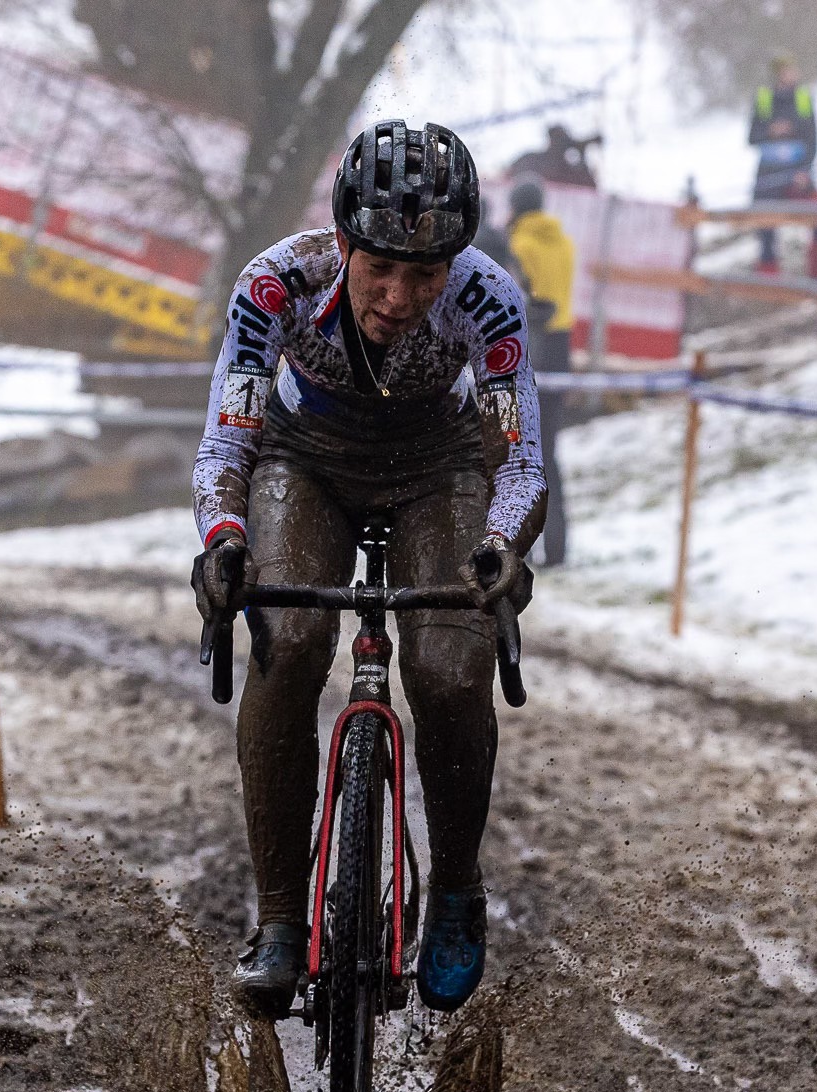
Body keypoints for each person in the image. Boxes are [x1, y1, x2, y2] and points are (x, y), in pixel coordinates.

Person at [192, 121, 546, 1019]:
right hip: (303, 457)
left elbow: (520, 460)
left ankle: (458, 889)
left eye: (425, 276)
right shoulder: (275, 283)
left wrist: (505, 543)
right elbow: (229, 433)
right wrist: (225, 536)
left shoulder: (490, 299)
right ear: (341, 243)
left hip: (439, 464)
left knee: (449, 662)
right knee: (290, 634)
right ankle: (279, 921)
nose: (398, 295)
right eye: (379, 268)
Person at [505, 180, 573, 566]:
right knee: (550, 453)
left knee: (520, 454)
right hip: (561, 352)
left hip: (532, 351)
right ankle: (558, 548)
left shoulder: (519, 246)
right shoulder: (565, 244)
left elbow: (528, 302)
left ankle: (522, 546)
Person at [747, 55, 817, 279]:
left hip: (798, 173)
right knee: (765, 227)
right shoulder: (764, 98)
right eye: (787, 69)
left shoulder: (803, 97)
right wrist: (770, 131)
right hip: (768, 176)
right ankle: (768, 279)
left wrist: (805, 170)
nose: (792, 73)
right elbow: (752, 137)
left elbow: (813, 139)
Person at [507, 124, 600, 189]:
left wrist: (582, 153)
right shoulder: (531, 160)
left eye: (562, 142)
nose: (559, 146)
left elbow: (589, 189)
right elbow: (507, 178)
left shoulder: (569, 172)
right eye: (557, 141)